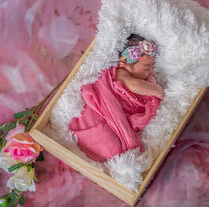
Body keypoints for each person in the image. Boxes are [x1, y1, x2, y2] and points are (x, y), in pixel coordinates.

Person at [68, 34, 163, 162]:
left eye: (152, 68)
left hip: (113, 121)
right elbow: (134, 85)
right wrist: (157, 90)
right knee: (112, 145)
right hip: (96, 118)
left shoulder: (136, 81)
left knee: (115, 147)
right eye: (147, 68)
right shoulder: (120, 74)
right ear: (124, 64)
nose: (151, 72)